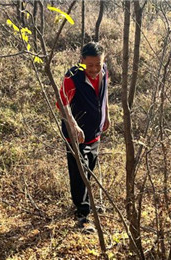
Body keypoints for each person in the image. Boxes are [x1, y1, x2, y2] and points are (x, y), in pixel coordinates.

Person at [57, 42, 110, 231]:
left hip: (94, 132)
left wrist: (107, 115)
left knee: (89, 169)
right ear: (81, 61)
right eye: (90, 65)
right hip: (76, 135)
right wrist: (74, 125)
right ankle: (82, 214)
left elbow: (104, 95)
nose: (94, 69)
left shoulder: (103, 70)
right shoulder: (73, 77)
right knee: (79, 172)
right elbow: (63, 104)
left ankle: (85, 204)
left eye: (98, 64)